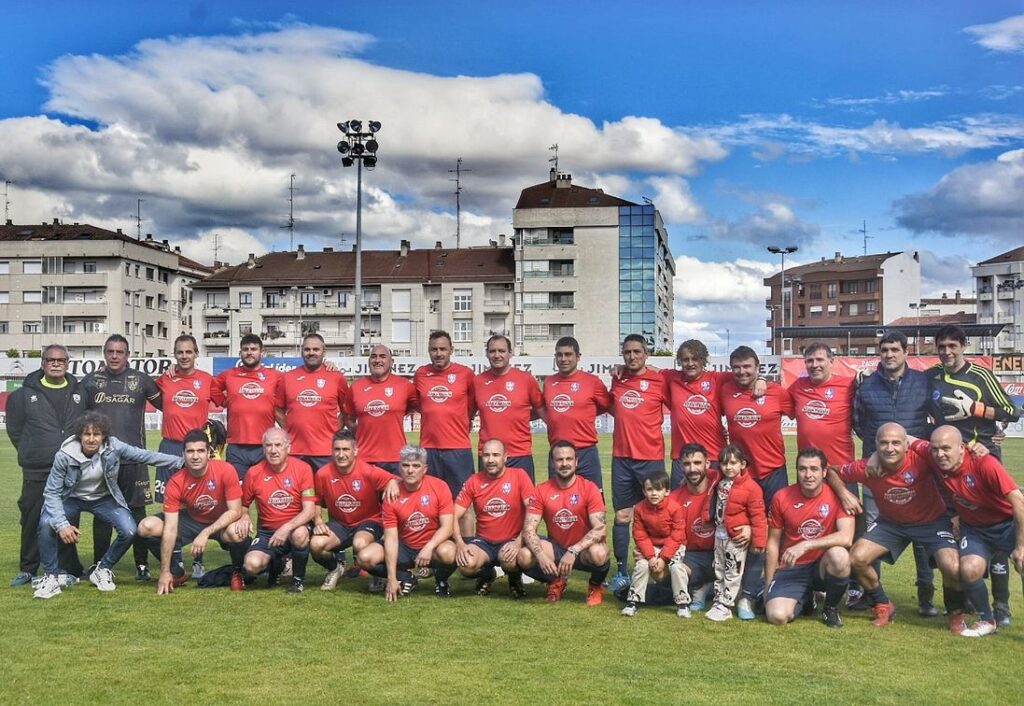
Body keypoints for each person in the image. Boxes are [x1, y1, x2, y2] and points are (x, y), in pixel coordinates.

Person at [826, 423, 964, 630]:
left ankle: (955, 614)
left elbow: (956, 460)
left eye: (896, 443)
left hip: (932, 521)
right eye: (884, 443)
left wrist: (959, 515)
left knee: (952, 566)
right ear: (875, 445)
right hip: (891, 524)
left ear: (906, 445)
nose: (889, 448)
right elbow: (831, 472)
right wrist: (844, 494)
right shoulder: (868, 468)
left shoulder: (924, 458)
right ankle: (883, 604)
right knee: (856, 559)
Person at [32, 412, 183, 598]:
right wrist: (62, 525)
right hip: (71, 498)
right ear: (80, 435)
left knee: (129, 530)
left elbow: (145, 456)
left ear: (104, 436)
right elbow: (51, 492)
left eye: (96, 434)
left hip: (103, 498)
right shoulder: (64, 455)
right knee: (47, 522)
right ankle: (51, 576)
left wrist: (181, 462)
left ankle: (102, 569)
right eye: (87, 434)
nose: (91, 439)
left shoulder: (114, 446)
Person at [929, 324, 1020, 625]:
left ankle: (1002, 607)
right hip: (947, 462)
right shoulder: (933, 377)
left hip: (981, 457)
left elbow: (1012, 411)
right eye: (942, 346)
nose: (947, 352)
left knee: (994, 527)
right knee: (959, 527)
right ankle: (965, 600)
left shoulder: (980, 375)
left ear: (963, 346)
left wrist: (978, 409)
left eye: (952, 346)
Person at [913, 426, 1024, 637]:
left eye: (946, 448)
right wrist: (875, 458)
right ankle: (987, 620)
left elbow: (1018, 501)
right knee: (969, 569)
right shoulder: (934, 457)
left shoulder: (985, 463)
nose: (940, 454)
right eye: (935, 449)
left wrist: (1021, 545)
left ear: (962, 448)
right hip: (975, 529)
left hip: (1008, 523)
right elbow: (906, 438)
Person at [81, 334, 163, 582]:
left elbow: (172, 406)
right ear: (104, 353)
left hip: (134, 462)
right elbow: (76, 414)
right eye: (110, 351)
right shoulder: (91, 382)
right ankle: (99, 565)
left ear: (127, 355)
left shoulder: (140, 380)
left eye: (120, 352)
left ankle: (141, 565)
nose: (115, 356)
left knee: (138, 514)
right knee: (102, 514)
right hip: (101, 462)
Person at [718, 345, 792, 618]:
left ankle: (774, 584)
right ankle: (741, 591)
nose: (741, 371)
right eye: (736, 367)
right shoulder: (725, 389)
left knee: (776, 531)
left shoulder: (776, 392)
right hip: (743, 476)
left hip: (773, 471)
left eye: (747, 366)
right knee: (743, 532)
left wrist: (767, 381)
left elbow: (798, 411)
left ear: (758, 367)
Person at [7, 344, 87, 586]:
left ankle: (68, 567)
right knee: (32, 518)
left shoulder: (80, 393)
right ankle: (28, 568)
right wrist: (31, 450)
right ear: (42, 364)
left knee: (68, 519)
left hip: (70, 469)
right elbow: (15, 429)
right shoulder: (23, 395)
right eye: (50, 360)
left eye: (60, 360)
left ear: (67, 364)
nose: (55, 363)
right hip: (37, 468)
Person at [137, 428, 247, 594]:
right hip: (192, 521)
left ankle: (237, 573)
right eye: (190, 451)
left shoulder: (226, 470)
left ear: (209, 452)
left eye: (200, 451)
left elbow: (235, 511)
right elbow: (171, 528)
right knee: (146, 526)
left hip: (221, 521)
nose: (195, 456)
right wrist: (164, 571)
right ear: (183, 453)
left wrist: (205, 533)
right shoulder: (176, 481)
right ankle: (175, 572)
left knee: (237, 532)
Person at [764, 448, 854, 629]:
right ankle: (805, 599)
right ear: (796, 470)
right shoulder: (781, 497)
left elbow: (846, 537)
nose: (808, 475)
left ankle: (830, 609)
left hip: (821, 567)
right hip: (792, 566)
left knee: (840, 556)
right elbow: (773, 542)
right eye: (802, 469)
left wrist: (806, 545)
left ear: (824, 471)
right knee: (777, 616)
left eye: (814, 469)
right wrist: (768, 584)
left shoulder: (837, 496)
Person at [607, 334, 669, 594]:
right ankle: (621, 570)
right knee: (622, 515)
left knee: (657, 515)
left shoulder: (660, 380)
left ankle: (660, 565)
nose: (632, 356)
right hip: (622, 458)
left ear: (646, 354)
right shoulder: (618, 378)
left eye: (637, 352)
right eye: (627, 352)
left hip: (650, 458)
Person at [358, 445, 459, 600]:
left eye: (416, 466)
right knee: (364, 557)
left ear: (425, 469)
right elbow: (391, 538)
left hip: (432, 546)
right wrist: (391, 578)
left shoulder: (440, 487)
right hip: (404, 547)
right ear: (399, 467)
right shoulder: (392, 494)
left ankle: (441, 580)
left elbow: (447, 527)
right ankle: (405, 577)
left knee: (450, 553)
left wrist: (428, 547)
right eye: (406, 465)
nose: (410, 470)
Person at [222, 428, 316, 593]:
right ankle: (276, 564)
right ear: (263, 448)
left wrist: (286, 527)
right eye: (268, 446)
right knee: (251, 566)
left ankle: (298, 580)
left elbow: (309, 511)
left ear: (288, 448)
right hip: (267, 533)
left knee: (300, 534)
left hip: (294, 528)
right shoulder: (254, 473)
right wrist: (244, 516)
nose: (273, 450)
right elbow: (243, 505)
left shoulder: (303, 469)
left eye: (278, 445)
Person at [519, 441, 610, 605]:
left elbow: (600, 529)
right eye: (560, 460)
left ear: (576, 462)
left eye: (569, 459)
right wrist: (540, 556)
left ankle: (595, 586)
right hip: (557, 548)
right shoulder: (541, 490)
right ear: (553, 463)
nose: (565, 464)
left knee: (600, 553)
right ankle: (555, 581)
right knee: (525, 556)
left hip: (582, 550)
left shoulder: (589, 488)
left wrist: (573, 551)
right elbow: (528, 529)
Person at [311, 429, 398, 591]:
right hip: (340, 524)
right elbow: (316, 500)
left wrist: (393, 481)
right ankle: (335, 568)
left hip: (369, 521)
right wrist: (318, 520)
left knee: (360, 543)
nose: (341, 454)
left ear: (355, 451)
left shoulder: (368, 471)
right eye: (337, 449)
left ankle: (376, 574)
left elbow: (400, 482)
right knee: (316, 545)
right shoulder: (323, 474)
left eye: (346, 450)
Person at [452, 439, 535, 598]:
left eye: (496, 455)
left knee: (511, 560)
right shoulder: (474, 481)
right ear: (482, 457)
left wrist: (518, 542)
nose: (491, 460)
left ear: (505, 457)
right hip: (484, 542)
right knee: (465, 565)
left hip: (511, 540)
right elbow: (453, 515)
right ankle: (487, 574)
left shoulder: (519, 476)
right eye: (486, 455)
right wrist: (460, 544)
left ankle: (514, 577)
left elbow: (533, 512)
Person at [413, 331, 476, 520]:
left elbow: (473, 404)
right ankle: (439, 549)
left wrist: (465, 420)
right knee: (431, 503)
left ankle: (467, 547)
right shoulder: (421, 374)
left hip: (458, 449)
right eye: (434, 349)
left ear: (451, 350)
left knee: (464, 504)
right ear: (429, 351)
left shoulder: (465, 374)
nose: (438, 353)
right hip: (429, 450)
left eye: (443, 349)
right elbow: (417, 403)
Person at [704, 445, 767, 622]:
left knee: (733, 570)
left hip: (737, 537)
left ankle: (727, 605)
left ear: (743, 464)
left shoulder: (752, 488)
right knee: (719, 568)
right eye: (724, 463)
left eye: (733, 463)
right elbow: (706, 473)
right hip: (719, 534)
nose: (728, 467)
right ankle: (719, 599)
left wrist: (759, 542)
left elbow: (758, 516)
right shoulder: (719, 480)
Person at [541, 337, 612, 487]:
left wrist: (587, 413)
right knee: (558, 504)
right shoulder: (548, 382)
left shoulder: (592, 381)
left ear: (578, 357)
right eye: (559, 355)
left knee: (594, 503)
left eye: (568, 354)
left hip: (586, 452)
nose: (563, 359)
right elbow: (544, 408)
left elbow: (607, 405)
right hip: (558, 452)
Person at [472, 334, 544, 481]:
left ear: (510, 353)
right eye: (492, 351)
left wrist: (521, 415)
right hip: (489, 456)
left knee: (526, 503)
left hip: (519, 454)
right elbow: (467, 412)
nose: (497, 355)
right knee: (487, 503)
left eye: (501, 351)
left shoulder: (526, 379)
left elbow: (542, 410)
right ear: (486, 353)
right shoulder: (477, 382)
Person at [212, 334, 282, 481]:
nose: (249, 352)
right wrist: (224, 401)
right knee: (235, 497)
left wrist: (326, 365)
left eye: (253, 349)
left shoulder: (274, 375)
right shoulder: (229, 375)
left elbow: (298, 381)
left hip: (265, 446)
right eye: (245, 349)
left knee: (266, 496)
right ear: (240, 353)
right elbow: (210, 386)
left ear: (261, 353)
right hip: (237, 447)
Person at [276, 333, 348, 471]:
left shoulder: (337, 378)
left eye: (316, 349)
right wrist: (288, 429)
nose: (311, 353)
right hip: (295, 451)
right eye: (307, 349)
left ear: (324, 352)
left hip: (325, 452)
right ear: (302, 351)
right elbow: (277, 409)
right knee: (297, 492)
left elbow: (347, 411)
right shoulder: (288, 378)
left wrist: (335, 430)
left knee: (326, 492)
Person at [620, 469, 687, 618]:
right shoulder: (639, 509)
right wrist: (650, 557)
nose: (654, 493)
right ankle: (633, 602)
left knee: (676, 567)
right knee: (642, 566)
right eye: (650, 489)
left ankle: (682, 603)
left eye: (658, 489)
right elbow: (640, 535)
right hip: (651, 547)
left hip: (673, 546)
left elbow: (677, 535)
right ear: (644, 491)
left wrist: (663, 558)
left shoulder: (675, 508)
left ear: (667, 491)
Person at [663, 340, 730, 488]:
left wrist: (761, 380)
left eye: (695, 359)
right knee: (679, 507)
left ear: (703, 360)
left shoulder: (716, 379)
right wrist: (623, 367)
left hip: (713, 457)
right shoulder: (672, 378)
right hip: (682, 459)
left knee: (714, 507)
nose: (690, 363)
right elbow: (646, 371)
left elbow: (745, 375)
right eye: (686, 359)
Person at [155, 334, 214, 501]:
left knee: (198, 500)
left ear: (196, 353)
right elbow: (144, 389)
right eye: (180, 352)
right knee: (168, 500)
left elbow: (229, 398)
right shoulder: (166, 378)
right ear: (174, 354)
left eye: (188, 352)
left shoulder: (207, 379)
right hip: (169, 447)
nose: (184, 356)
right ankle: (170, 528)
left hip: (196, 449)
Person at [342, 344, 418, 474]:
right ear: (369, 361)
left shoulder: (405, 385)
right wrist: (359, 430)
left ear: (391, 362)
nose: (377, 360)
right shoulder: (356, 387)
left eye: (383, 356)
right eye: (373, 357)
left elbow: (414, 407)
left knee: (394, 495)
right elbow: (348, 418)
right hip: (364, 459)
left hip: (396, 460)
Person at [668, 443, 718, 610]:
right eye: (687, 464)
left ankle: (706, 586)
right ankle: (704, 586)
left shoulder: (720, 490)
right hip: (690, 556)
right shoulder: (674, 499)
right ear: (681, 466)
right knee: (663, 574)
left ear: (707, 464)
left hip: (718, 555)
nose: (692, 469)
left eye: (697, 463)